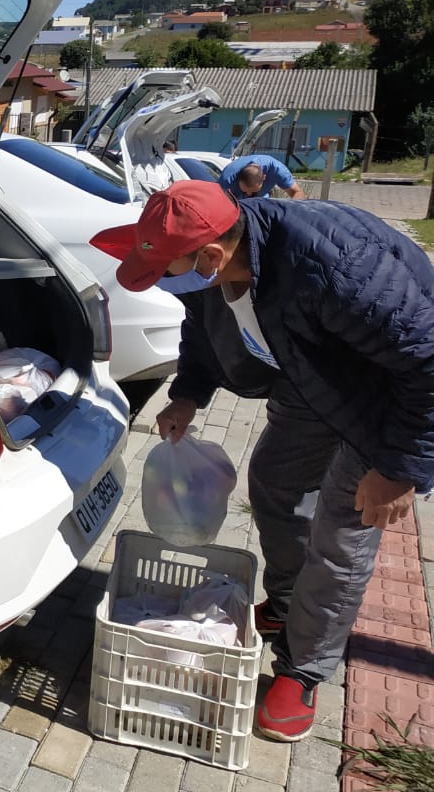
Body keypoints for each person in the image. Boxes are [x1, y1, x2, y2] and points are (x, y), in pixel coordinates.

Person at [91, 181, 434, 742]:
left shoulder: (338, 267)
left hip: (384, 395)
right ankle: (286, 599)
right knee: (274, 482)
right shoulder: (215, 256)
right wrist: (188, 394)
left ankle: (304, 667)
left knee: (342, 531)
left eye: (167, 271)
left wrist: (399, 469)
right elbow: (201, 328)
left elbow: (426, 360)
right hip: (311, 378)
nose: (163, 283)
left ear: (210, 257)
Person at [218, 153, 306, 199]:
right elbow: (217, 204)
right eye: (244, 191)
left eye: (253, 191)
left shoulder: (277, 170)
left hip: (261, 202)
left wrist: (289, 214)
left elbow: (297, 193)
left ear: (264, 177)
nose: (249, 194)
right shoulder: (227, 179)